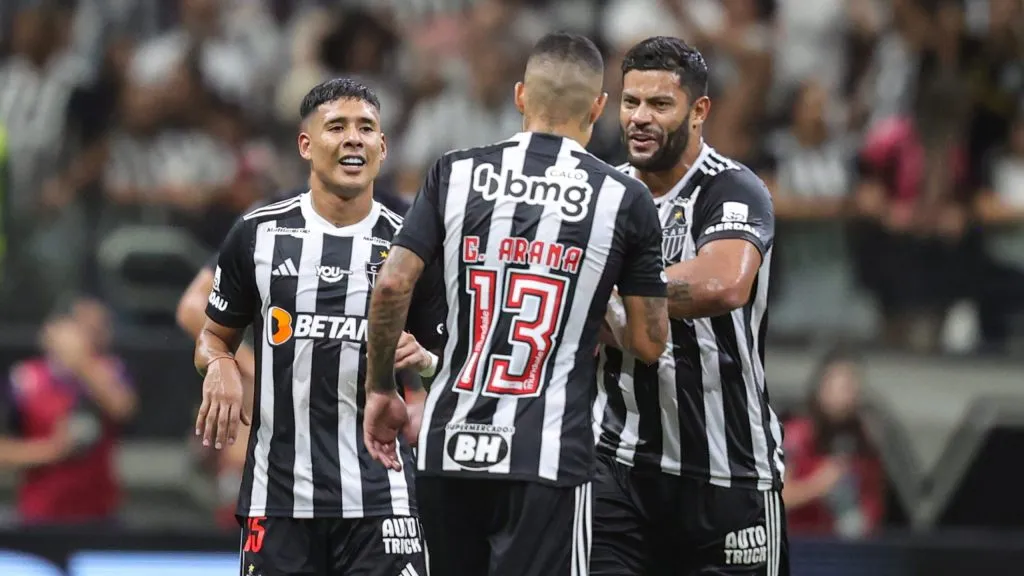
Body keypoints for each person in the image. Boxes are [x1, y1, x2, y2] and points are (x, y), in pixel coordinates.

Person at [363, 32, 670, 576]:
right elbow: (648, 343)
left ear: (521, 95)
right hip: (545, 455)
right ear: (598, 107)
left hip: (446, 448)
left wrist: (382, 385)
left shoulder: (452, 173)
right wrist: (597, 298)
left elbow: (390, 286)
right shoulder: (624, 199)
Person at [193, 78, 445, 576]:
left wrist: (428, 361)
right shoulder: (257, 234)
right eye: (337, 127)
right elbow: (211, 335)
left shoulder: (413, 246)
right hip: (279, 500)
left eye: (366, 128)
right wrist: (219, 363)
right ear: (306, 145)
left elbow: (458, 372)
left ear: (382, 147)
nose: (354, 138)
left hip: (382, 499)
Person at [592, 37, 788, 576]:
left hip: (728, 472)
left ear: (699, 111)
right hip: (618, 466)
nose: (639, 118)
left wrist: (608, 296)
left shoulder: (733, 188)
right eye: (630, 102)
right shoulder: (601, 195)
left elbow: (724, 282)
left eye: (659, 105)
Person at [783, 347, 885, 538]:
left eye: (853, 388)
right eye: (841, 387)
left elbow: (872, 502)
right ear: (821, 388)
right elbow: (778, 498)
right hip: (798, 545)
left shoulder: (863, 439)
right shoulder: (795, 435)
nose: (848, 396)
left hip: (844, 550)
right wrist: (818, 485)